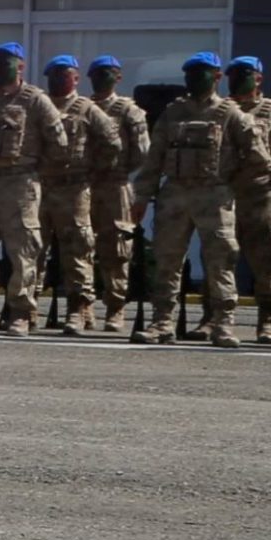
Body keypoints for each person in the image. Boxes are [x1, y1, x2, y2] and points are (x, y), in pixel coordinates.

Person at [131, 53, 267, 348]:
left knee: (220, 261)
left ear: (217, 77)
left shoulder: (230, 113)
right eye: (190, 73)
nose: (193, 78)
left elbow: (259, 157)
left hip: (214, 195)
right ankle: (162, 323)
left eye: (201, 72)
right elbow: (154, 158)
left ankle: (222, 324)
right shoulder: (173, 112)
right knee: (167, 260)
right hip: (175, 194)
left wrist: (231, 177)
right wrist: (142, 195)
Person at [0, 42, 66, 336]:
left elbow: (59, 144)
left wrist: (34, 172)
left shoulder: (35, 101)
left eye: (3, 64)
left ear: (20, 67)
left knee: (22, 251)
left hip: (19, 183)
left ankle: (20, 312)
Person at [36, 54, 123, 337]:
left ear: (75, 78)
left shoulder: (86, 108)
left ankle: (77, 309)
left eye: (64, 74)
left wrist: (93, 170)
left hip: (74, 189)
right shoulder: (39, 105)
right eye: (53, 75)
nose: (58, 80)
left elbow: (112, 140)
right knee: (33, 249)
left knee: (77, 251)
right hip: (40, 187)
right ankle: (28, 309)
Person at [85, 56, 150, 333]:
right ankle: (83, 308)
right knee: (80, 247)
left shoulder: (127, 110)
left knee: (117, 250)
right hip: (82, 185)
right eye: (98, 73)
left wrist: (118, 169)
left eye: (109, 73)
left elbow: (141, 152)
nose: (103, 78)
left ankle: (115, 309)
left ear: (118, 77)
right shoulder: (81, 108)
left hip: (115, 185)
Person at [226, 57, 271, 344]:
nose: (237, 80)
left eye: (243, 74)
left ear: (258, 79)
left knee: (265, 260)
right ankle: (214, 318)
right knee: (219, 259)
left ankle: (267, 320)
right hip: (223, 194)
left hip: (260, 194)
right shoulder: (221, 111)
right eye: (232, 75)